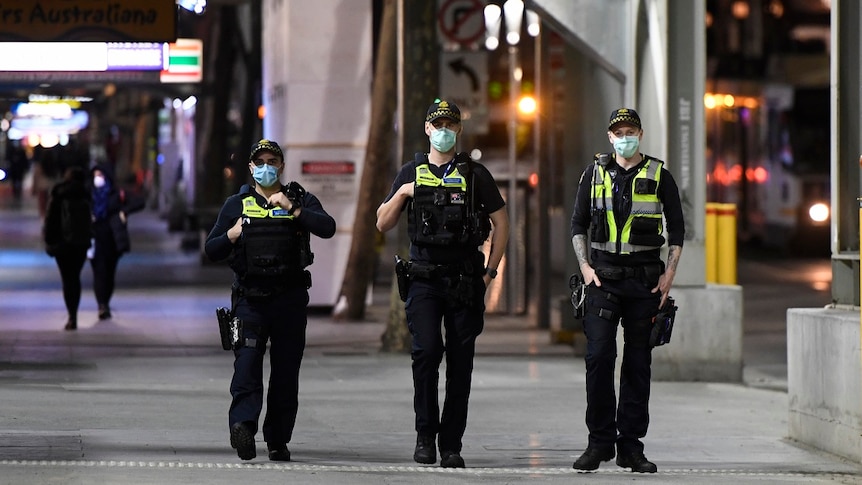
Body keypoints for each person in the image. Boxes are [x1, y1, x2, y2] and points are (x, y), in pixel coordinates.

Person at [375, 100, 509, 468]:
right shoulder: (411, 171)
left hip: (466, 278)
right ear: (427, 129)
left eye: (451, 124)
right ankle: (425, 436)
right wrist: (403, 192)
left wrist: (490, 272)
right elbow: (382, 223)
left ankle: (451, 444)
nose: (445, 129)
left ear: (459, 130)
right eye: (439, 124)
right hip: (424, 279)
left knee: (461, 363)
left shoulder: (474, 174)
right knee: (426, 353)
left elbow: (502, 223)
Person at [569, 108, 685, 473]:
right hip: (602, 280)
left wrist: (669, 276)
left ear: (641, 133)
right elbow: (578, 223)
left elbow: (678, 229)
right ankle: (599, 442)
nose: (624, 137)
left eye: (630, 130)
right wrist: (585, 268)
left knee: (637, 364)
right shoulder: (593, 174)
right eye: (618, 132)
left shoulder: (659, 174)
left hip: (644, 281)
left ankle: (630, 447)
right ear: (609, 136)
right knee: (599, 358)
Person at [205, 139, 335, 462]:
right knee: (247, 365)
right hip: (250, 299)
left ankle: (278, 439)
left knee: (286, 373)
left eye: (272, 161)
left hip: (289, 299)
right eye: (259, 161)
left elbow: (328, 227)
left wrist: (294, 209)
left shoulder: (298, 198)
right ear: (251, 168)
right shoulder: (237, 204)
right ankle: (243, 427)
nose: (266, 167)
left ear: (281, 165)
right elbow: (212, 249)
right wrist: (231, 235)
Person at [89, 163, 144, 320]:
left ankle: (105, 301)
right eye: (95, 175)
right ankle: (102, 305)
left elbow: (140, 201)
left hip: (113, 240)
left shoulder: (116, 193)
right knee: (99, 272)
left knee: (109, 273)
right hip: (95, 239)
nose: (97, 179)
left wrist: (124, 212)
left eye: (100, 175)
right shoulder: (90, 194)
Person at [43, 166, 92, 330]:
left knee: (67, 278)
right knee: (75, 277)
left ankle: (71, 316)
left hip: (61, 243)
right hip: (80, 243)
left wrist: (49, 241)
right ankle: (74, 313)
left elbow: (50, 219)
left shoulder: (58, 193)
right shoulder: (86, 195)